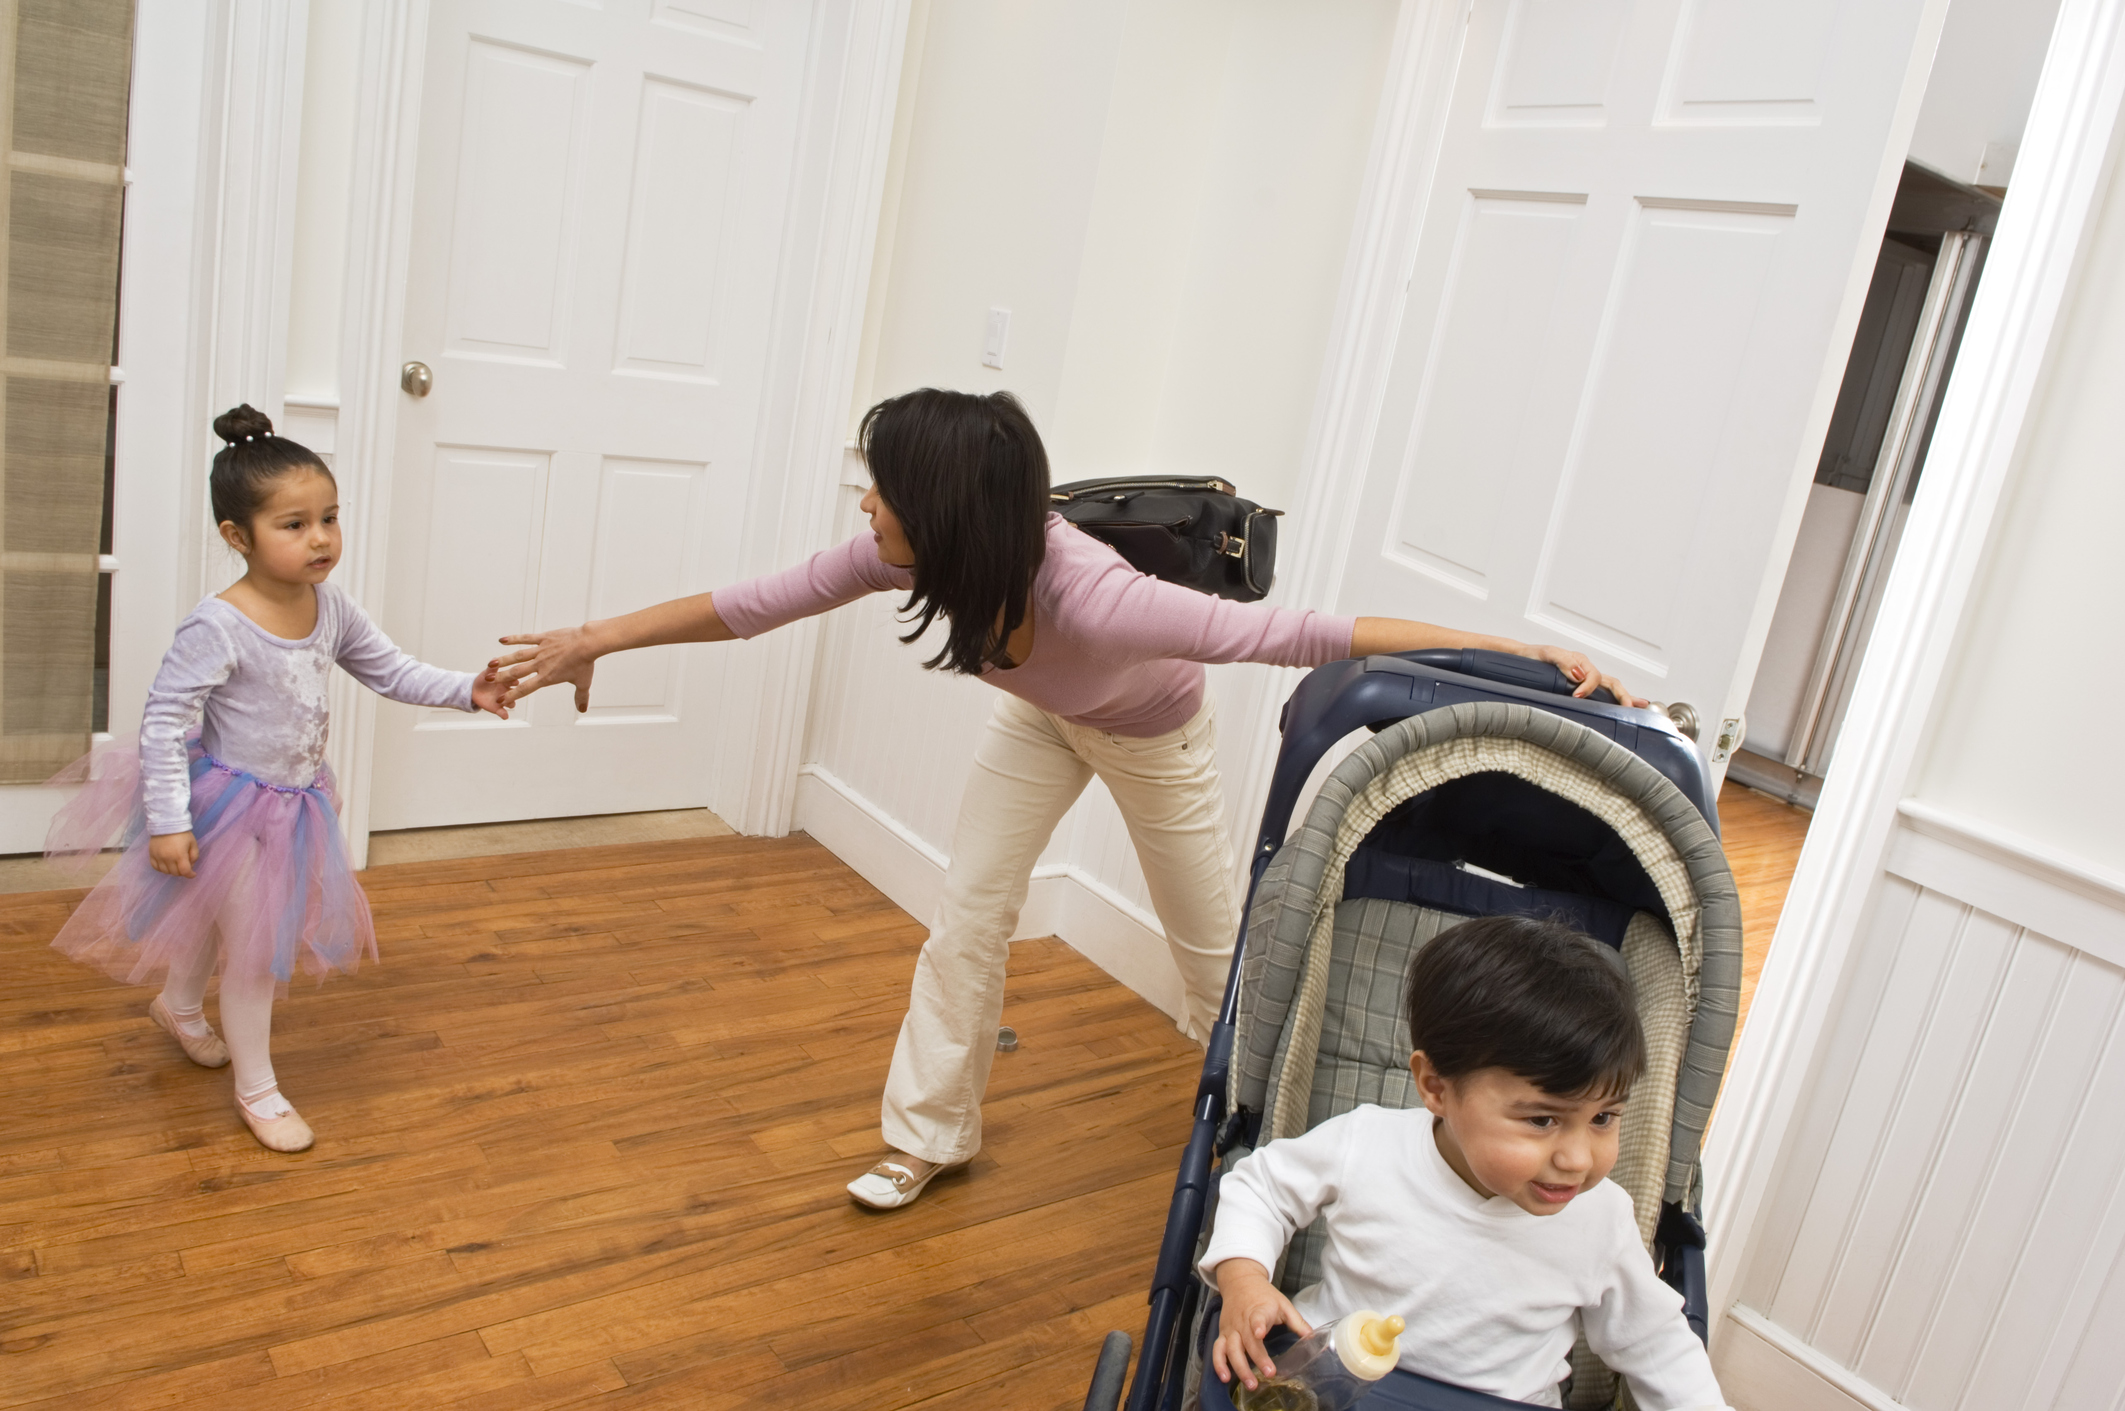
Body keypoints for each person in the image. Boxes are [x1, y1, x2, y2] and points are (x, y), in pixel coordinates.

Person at [486, 388, 1643, 1210]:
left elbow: (1306, 630)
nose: (863, 513)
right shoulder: (913, 558)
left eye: (878, 494)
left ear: (941, 507)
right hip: (1040, 724)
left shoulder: (1101, 599)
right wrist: (591, 639)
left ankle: (1273, 1160)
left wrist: (1508, 649)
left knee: (1213, 962)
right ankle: (926, 1137)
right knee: (968, 914)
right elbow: (751, 603)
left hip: (1154, 738)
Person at [45, 405, 509, 1152]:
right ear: (238, 536)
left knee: (229, 924)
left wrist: (467, 689)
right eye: (294, 524)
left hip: (294, 803)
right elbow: (165, 720)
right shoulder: (220, 623)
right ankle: (257, 1089)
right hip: (224, 803)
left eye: (328, 517)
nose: (320, 537)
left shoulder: (330, 607)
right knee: (255, 946)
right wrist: (168, 820)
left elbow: (389, 667)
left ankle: (179, 1005)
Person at [1203, 916, 1730, 1410]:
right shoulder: (1367, 1144)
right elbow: (1260, 1188)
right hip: (1336, 1389)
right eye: (1543, 1121)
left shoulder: (1602, 1221)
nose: (1577, 1159)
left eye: (1604, 1118)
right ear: (1436, 1087)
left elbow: (1657, 1345)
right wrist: (1245, 1279)